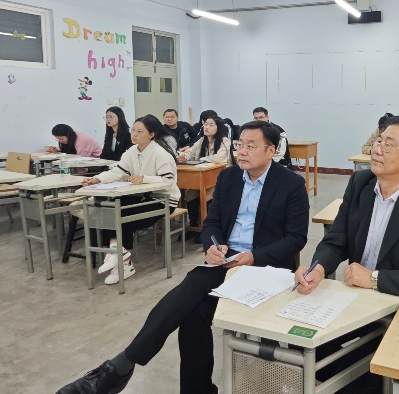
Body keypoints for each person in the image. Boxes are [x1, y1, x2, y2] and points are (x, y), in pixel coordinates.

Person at [56, 121, 310, 394]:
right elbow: (212, 223)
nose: (242, 152)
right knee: (192, 313)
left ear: (270, 151)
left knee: (191, 301)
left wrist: (253, 256)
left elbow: (296, 238)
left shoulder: (291, 183)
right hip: (225, 260)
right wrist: (213, 246)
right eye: (239, 145)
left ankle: (120, 366)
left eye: (251, 146)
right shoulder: (229, 177)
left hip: (263, 266)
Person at [295, 115, 399, 391]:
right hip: (355, 303)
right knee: (297, 341)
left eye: (389, 145)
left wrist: (374, 278)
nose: (377, 149)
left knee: (356, 375)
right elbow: (336, 239)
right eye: (379, 141)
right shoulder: (360, 183)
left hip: (395, 311)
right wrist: (318, 269)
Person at [80, 115, 180, 284]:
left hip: (163, 200)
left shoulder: (160, 153)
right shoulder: (132, 151)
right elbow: (118, 171)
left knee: (124, 217)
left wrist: (144, 178)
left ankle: (121, 261)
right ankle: (117, 252)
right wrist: (97, 179)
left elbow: (168, 181)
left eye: (139, 131)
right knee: (109, 209)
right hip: (141, 197)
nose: (134, 134)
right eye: (133, 130)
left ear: (151, 134)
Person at [178, 116, 233, 232]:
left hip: (220, 178)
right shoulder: (202, 140)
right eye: (206, 124)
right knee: (191, 194)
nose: (207, 127)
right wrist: (185, 156)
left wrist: (202, 159)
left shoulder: (225, 141)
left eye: (211, 125)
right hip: (202, 175)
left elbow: (220, 158)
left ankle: (207, 227)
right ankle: (193, 226)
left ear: (218, 128)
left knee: (207, 194)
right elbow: (190, 151)